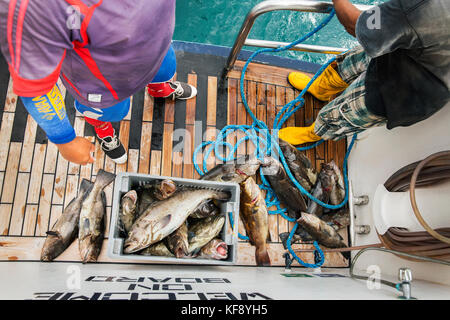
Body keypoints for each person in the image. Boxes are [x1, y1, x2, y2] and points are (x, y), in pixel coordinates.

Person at [0, 0, 196, 165]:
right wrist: (65, 140)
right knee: (111, 114)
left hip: (158, 50)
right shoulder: (37, 6)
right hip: (103, 87)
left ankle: (159, 89)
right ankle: (104, 131)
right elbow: (36, 88)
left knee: (165, 71)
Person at [279, 0, 450, 145]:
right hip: (411, 50)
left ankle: (314, 132)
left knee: (343, 113)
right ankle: (321, 89)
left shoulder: (420, 6)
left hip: (412, 90)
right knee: (347, 63)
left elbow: (353, 24)